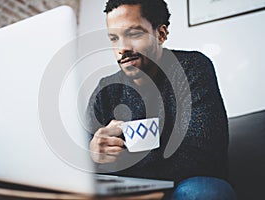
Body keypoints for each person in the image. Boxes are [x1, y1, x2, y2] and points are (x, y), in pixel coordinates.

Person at [86, 0, 237, 199]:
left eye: (133, 34)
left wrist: (127, 163)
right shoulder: (104, 91)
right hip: (127, 192)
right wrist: (93, 155)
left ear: (161, 34)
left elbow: (204, 157)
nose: (122, 48)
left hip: (183, 188)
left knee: (203, 190)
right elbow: (82, 167)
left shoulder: (192, 69)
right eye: (114, 38)